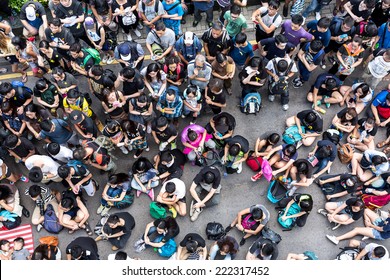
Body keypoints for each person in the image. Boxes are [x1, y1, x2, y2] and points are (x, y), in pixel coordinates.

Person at [326, 208, 390, 245]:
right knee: (366, 210)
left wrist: (370, 225)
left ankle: (337, 239)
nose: (388, 214)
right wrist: (368, 223)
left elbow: (381, 229)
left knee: (357, 230)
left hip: (380, 233)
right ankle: (367, 230)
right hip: (381, 223)